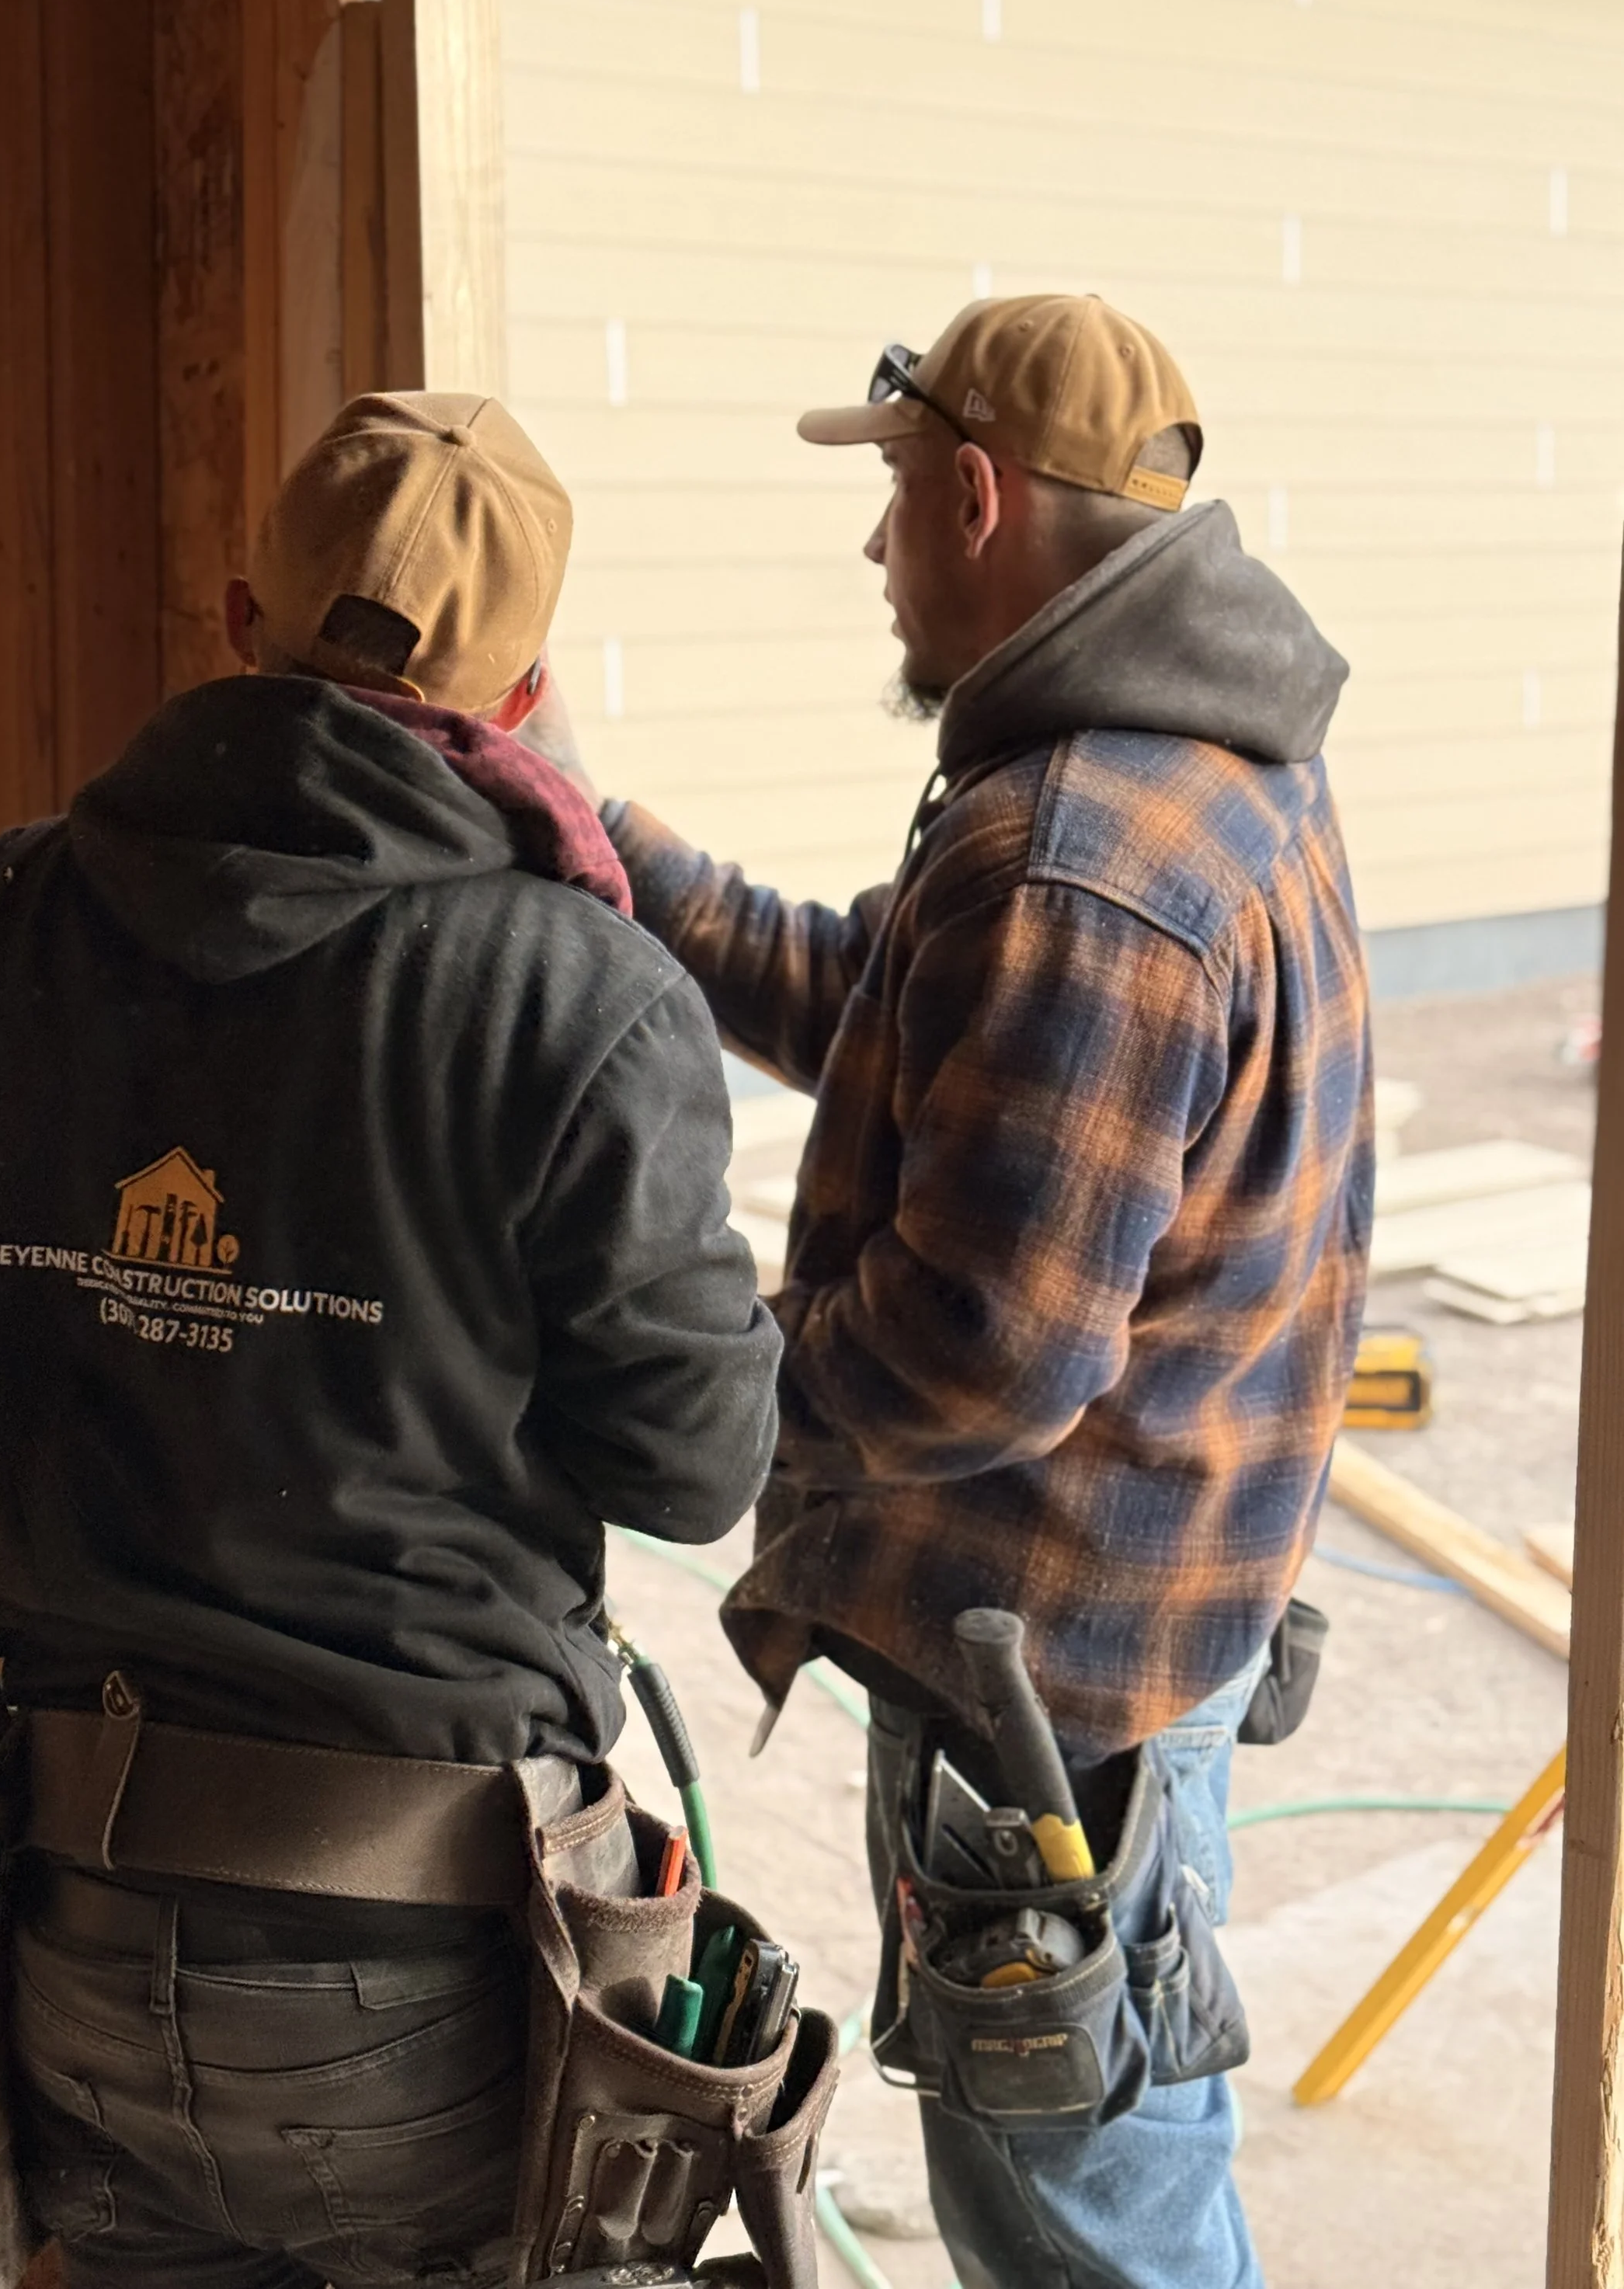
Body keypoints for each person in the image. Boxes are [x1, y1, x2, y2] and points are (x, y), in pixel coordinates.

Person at [0, 392, 780, 2289]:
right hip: (433, 1960)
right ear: (525, 694)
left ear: (234, 616)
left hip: (73, 1944)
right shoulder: (575, 1000)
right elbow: (695, 1467)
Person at [526, 295, 1373, 2289]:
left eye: (892, 499)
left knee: (1072, 2216)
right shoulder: (1196, 777)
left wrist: (685, 1382)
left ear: (977, 496)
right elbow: (866, 1000)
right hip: (1141, 1642)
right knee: (1112, 2161)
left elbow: (973, 1353)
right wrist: (592, 827)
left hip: (1047, 1690)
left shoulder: (1075, 861)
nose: (873, 548)